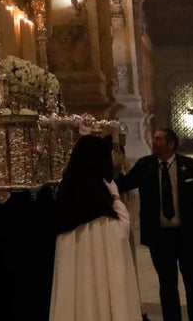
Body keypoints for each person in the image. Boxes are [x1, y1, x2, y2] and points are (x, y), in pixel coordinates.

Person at [116, 128, 193, 321]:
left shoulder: (192, 167)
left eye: (158, 139)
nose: (154, 142)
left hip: (189, 236)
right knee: (167, 283)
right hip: (160, 237)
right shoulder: (145, 166)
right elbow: (123, 183)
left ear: (171, 144)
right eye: (154, 139)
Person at [49, 133, 140, 320]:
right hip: (101, 274)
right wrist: (115, 198)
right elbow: (121, 232)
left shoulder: (67, 189)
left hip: (75, 274)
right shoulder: (99, 194)